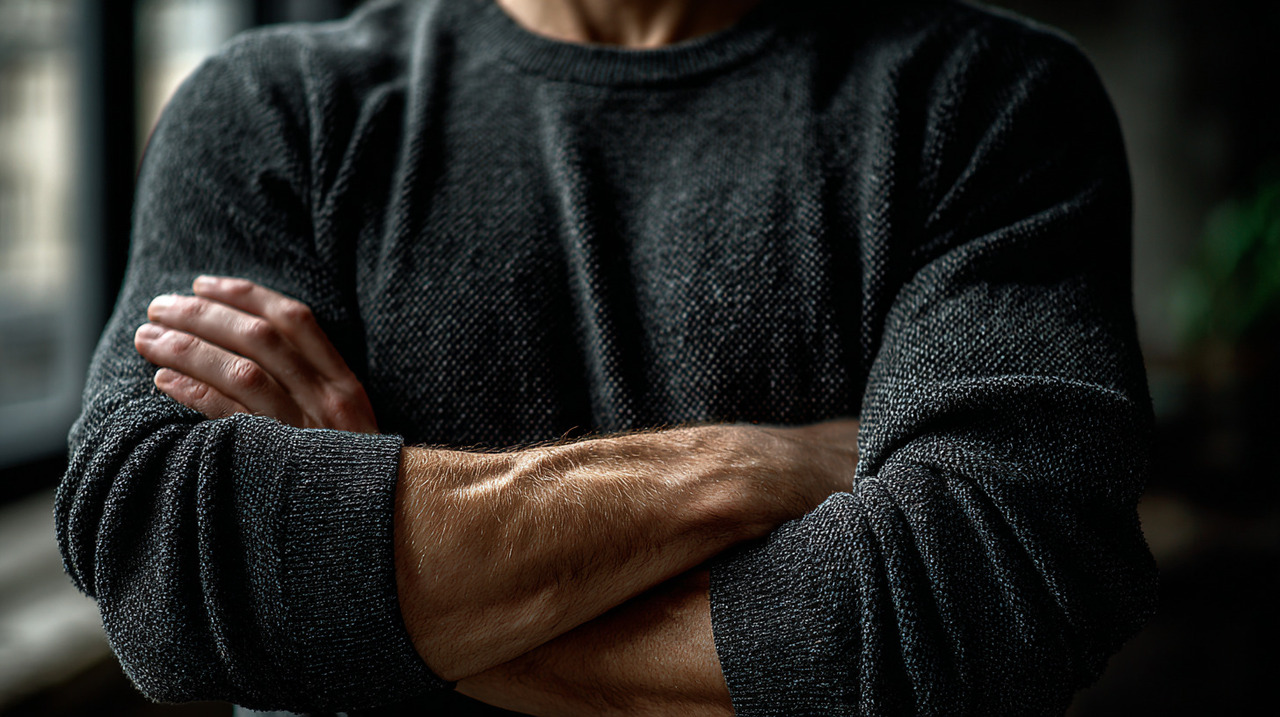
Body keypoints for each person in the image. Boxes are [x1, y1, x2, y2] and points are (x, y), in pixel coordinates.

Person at [56, 0, 1158, 714]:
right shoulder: (276, 108)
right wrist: (752, 470)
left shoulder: (983, 100)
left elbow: (982, 595)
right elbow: (167, 559)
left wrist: (362, 600)